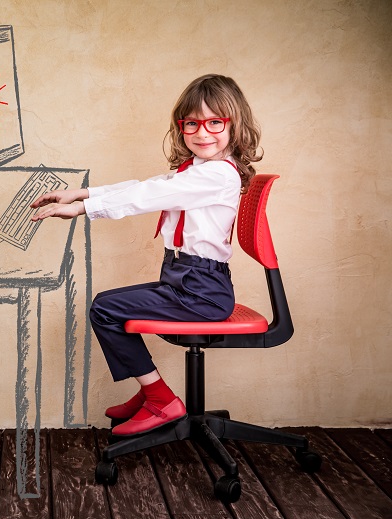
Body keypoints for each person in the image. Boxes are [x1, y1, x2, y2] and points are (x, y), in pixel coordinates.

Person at [30, 74, 262, 436]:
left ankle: (160, 398)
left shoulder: (218, 175)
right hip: (186, 280)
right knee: (110, 306)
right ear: (180, 127)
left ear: (236, 125)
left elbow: (146, 199)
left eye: (215, 122)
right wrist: (83, 194)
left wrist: (83, 211)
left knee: (105, 308)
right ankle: (151, 391)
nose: (202, 133)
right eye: (192, 124)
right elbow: (149, 187)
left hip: (201, 290)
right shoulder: (198, 170)